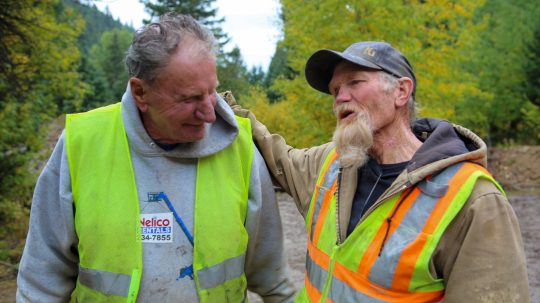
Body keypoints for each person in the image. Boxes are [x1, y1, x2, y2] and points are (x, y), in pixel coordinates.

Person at [16, 13, 295, 303]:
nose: (210, 113)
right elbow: (41, 280)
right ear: (140, 92)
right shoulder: (82, 143)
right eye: (189, 99)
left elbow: (274, 278)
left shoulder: (239, 148)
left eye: (211, 91)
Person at [226, 41, 530, 302]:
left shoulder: (475, 200)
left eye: (355, 83)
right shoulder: (332, 163)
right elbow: (276, 154)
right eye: (335, 90)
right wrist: (215, 103)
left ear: (401, 91)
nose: (340, 98)